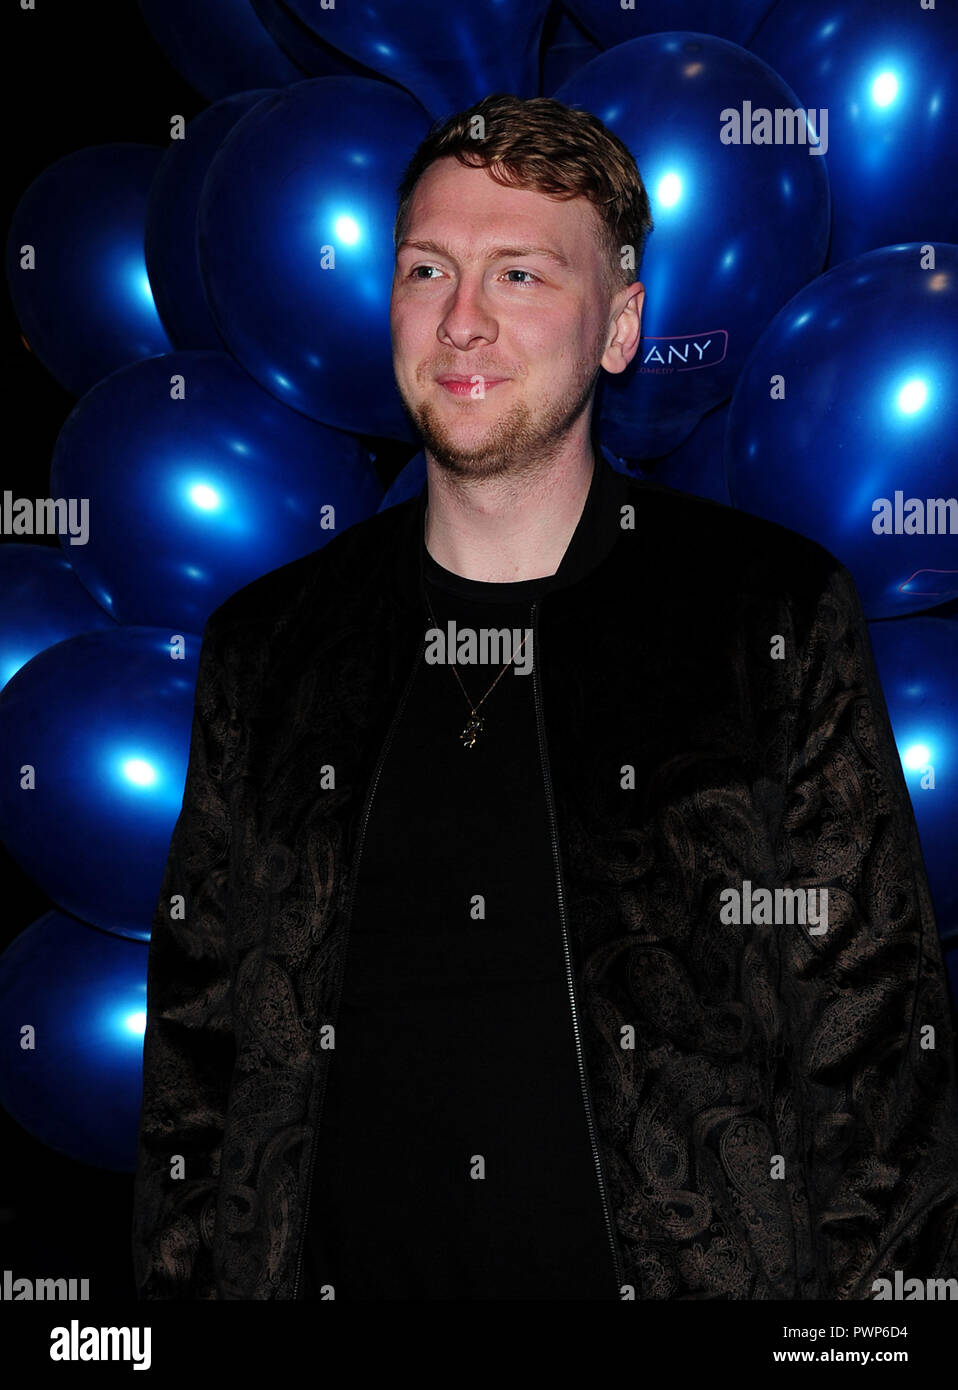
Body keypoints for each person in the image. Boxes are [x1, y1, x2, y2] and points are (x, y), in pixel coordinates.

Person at [132, 93, 958, 1300]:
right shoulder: (270, 645)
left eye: (519, 275)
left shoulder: (763, 612)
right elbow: (196, 1068)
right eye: (428, 269)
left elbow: (874, 1052)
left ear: (619, 326)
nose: (462, 321)